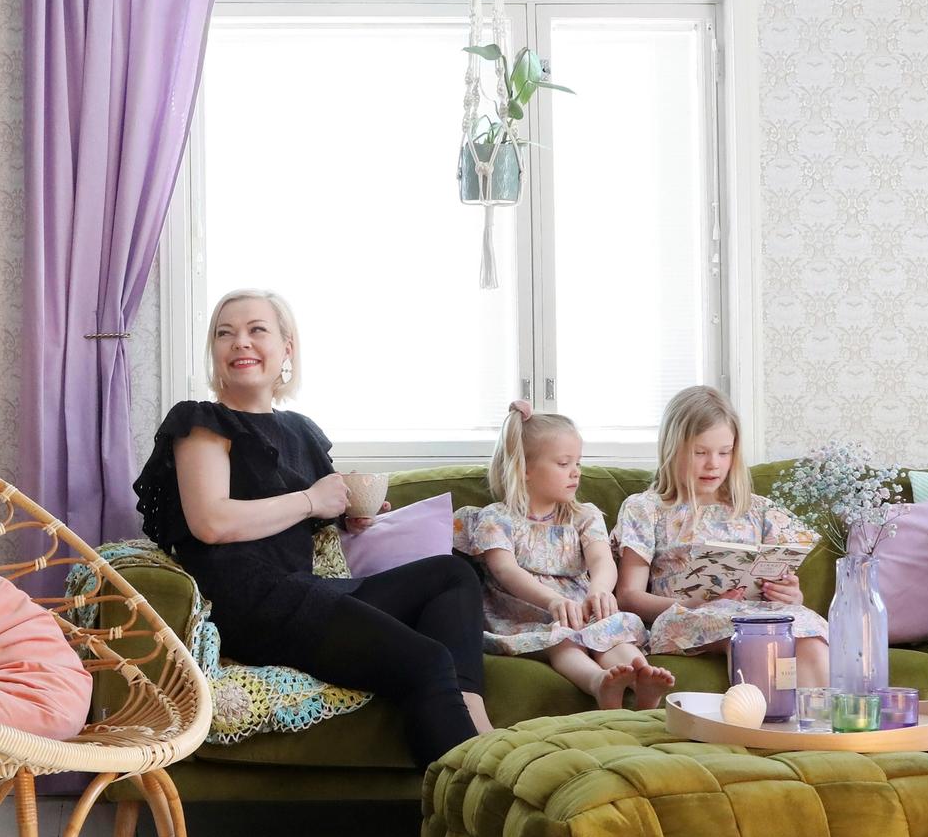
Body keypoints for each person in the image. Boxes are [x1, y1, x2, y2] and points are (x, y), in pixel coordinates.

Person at [133, 289, 489, 769]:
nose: (240, 342)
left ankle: (474, 717)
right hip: (249, 602)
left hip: (304, 591)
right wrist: (311, 501)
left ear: (287, 348)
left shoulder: (300, 431)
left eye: (256, 330)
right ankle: (469, 790)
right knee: (425, 661)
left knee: (453, 573)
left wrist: (350, 514)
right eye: (225, 333)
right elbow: (211, 522)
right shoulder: (202, 423)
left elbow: (314, 514)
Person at [457, 401, 672, 709]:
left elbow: (602, 560)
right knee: (563, 641)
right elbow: (506, 570)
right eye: (563, 463)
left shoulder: (583, 516)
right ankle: (599, 683)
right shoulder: (497, 518)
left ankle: (642, 680)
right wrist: (552, 601)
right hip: (530, 615)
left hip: (583, 609)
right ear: (524, 469)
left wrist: (599, 590)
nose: (576, 473)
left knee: (611, 632)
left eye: (578, 463)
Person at [613, 384, 830, 681]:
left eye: (724, 453)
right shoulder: (646, 508)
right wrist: (693, 604)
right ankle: (755, 712)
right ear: (672, 449)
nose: (713, 464)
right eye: (700, 452)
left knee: (809, 637)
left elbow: (782, 580)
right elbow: (628, 596)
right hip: (687, 617)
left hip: (759, 615)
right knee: (757, 636)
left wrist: (791, 594)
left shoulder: (757, 509)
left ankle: (814, 713)